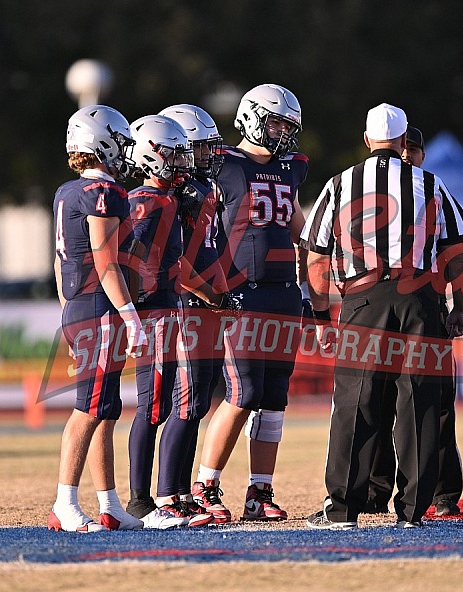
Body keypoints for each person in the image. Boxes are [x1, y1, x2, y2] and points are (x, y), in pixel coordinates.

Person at [302, 103, 463, 529]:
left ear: (366, 141)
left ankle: (342, 509)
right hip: (421, 300)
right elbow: (460, 252)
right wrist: (460, 306)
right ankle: (413, 510)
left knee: (356, 402)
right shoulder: (431, 184)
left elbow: (316, 254)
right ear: (403, 143)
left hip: (363, 300)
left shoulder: (341, 184)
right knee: (418, 401)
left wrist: (321, 316)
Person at [189, 83, 310, 523]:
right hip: (242, 291)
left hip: (284, 290)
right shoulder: (222, 165)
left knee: (275, 397)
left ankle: (260, 490)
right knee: (244, 392)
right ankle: (205, 484)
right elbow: (199, 227)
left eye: (286, 125)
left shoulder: (290, 168)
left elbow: (299, 226)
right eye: (276, 121)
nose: (281, 133)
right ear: (251, 116)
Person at [122, 114, 225, 529]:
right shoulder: (149, 201)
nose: (186, 161)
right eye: (179, 152)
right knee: (154, 405)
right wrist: (134, 312)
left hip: (163, 306)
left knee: (172, 403)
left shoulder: (169, 197)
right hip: (158, 308)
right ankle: (143, 500)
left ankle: (164, 496)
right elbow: (139, 262)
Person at [48, 105, 146, 532]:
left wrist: (67, 312)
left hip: (80, 307)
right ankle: (64, 504)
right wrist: (130, 315)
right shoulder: (102, 193)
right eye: (120, 141)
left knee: (106, 409)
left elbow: (58, 263)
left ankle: (110, 504)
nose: (125, 151)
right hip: (98, 309)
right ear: (100, 142)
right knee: (88, 409)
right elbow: (107, 263)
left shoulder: (67, 191)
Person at [364, 125, 463, 517]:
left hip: (429, 306)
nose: (406, 157)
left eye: (413, 150)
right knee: (379, 398)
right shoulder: (373, 193)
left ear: (420, 153)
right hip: (385, 303)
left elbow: (460, 250)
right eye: (403, 149)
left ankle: (442, 490)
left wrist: (460, 305)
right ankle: (374, 489)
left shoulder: (432, 191)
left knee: (435, 403)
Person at [155, 103, 230, 519]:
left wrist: (222, 292)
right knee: (186, 402)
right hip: (187, 303)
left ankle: (182, 493)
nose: (208, 156)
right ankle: (168, 494)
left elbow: (210, 249)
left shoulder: (203, 191)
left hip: (206, 301)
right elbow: (176, 265)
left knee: (200, 401)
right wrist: (208, 293)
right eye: (200, 149)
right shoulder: (172, 197)